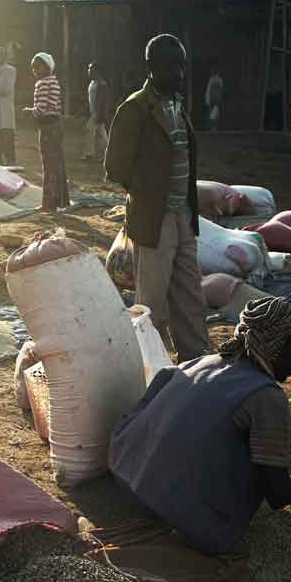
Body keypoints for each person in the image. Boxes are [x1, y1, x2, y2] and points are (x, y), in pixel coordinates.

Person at [110, 297, 291, 555]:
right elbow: (278, 495)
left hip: (128, 481)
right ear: (275, 346)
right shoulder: (267, 396)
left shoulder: (200, 362)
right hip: (187, 519)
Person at [105, 34, 212, 361]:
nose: (178, 74)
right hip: (154, 218)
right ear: (151, 68)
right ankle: (147, 364)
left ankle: (195, 357)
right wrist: (147, 197)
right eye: (169, 68)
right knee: (151, 301)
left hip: (182, 213)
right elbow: (115, 167)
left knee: (190, 292)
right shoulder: (135, 109)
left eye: (181, 67)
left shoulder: (178, 104)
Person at [24, 52, 69, 211]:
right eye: (33, 68)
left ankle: (49, 203)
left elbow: (41, 109)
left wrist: (29, 111)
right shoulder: (54, 82)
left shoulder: (43, 83)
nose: (35, 70)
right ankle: (58, 200)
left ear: (47, 67)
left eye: (38, 66)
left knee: (48, 164)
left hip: (48, 127)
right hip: (56, 126)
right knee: (56, 163)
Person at [82, 62, 110, 161]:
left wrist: (101, 114)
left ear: (96, 71)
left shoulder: (102, 84)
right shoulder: (92, 84)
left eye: (90, 69)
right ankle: (108, 153)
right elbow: (90, 99)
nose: (88, 71)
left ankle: (90, 153)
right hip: (94, 111)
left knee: (89, 129)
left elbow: (104, 101)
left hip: (97, 112)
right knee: (101, 134)